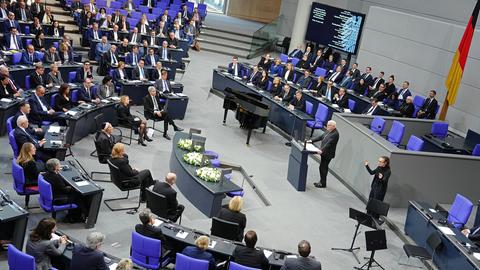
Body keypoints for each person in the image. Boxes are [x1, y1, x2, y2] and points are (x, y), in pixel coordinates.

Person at [310, 120, 339, 188]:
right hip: (324, 153)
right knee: (322, 167)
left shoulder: (335, 134)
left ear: (333, 126)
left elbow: (328, 144)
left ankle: (323, 183)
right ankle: (322, 182)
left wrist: (321, 150)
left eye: (329, 125)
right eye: (327, 124)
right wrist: (311, 140)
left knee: (323, 167)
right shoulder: (328, 130)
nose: (327, 126)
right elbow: (321, 137)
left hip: (328, 154)